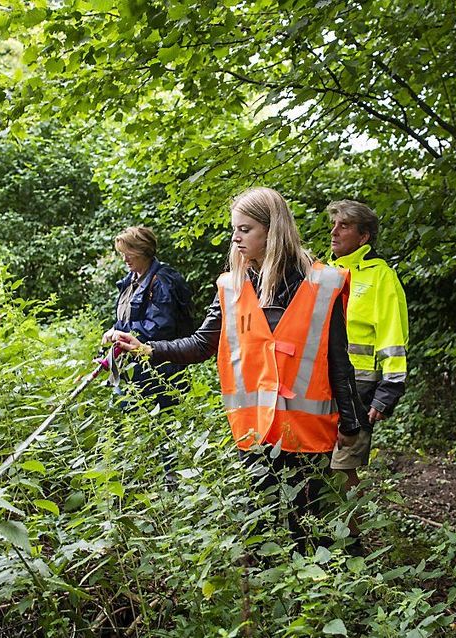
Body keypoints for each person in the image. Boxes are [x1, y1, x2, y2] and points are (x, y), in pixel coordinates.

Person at [106, 187, 364, 545]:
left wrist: (353, 423)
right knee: (262, 535)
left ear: (272, 231)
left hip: (307, 436)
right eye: (234, 229)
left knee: (310, 532)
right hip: (255, 435)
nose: (236, 238)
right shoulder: (232, 285)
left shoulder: (321, 283)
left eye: (245, 229)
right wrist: (146, 347)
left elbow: (339, 360)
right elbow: (200, 344)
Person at [327, 200, 409, 496]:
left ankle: (354, 542)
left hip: (360, 389)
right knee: (319, 469)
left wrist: (388, 392)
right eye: (334, 225)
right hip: (320, 387)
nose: (334, 232)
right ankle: (323, 538)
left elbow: (393, 336)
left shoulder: (381, 276)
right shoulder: (325, 273)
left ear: (364, 237)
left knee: (341, 471)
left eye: (344, 226)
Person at [101, 226, 192, 410]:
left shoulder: (162, 281)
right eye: (122, 254)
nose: (125, 259)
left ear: (143, 251)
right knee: (122, 421)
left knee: (159, 424)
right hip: (132, 368)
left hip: (160, 369)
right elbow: (128, 318)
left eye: (129, 253)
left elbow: (159, 327)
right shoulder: (130, 280)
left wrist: (121, 332)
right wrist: (114, 330)